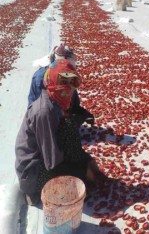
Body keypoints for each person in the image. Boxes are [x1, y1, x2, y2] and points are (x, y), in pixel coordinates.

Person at [15, 59, 106, 206]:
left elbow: (65, 132)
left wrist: (82, 158)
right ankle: (36, 192)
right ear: (51, 81)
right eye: (63, 82)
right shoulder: (44, 112)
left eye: (72, 83)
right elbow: (52, 162)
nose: (68, 89)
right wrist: (80, 169)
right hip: (32, 172)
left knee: (70, 126)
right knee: (82, 181)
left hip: (45, 157)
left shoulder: (55, 100)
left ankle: (78, 169)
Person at [28, 44, 94, 126]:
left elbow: (73, 103)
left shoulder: (68, 76)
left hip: (54, 115)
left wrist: (83, 113)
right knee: (68, 132)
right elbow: (38, 112)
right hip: (43, 122)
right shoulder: (40, 79)